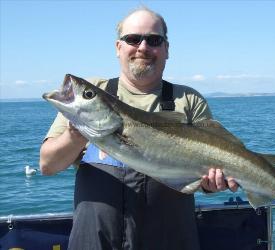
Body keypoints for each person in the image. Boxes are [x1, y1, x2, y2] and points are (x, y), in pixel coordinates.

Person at [40, 7, 238, 250]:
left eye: (154, 40)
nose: (143, 47)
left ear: (166, 49)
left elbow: (209, 172)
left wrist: (211, 184)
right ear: (118, 47)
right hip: (96, 242)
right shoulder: (92, 92)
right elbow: (48, 165)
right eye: (133, 39)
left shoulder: (188, 100)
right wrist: (77, 131)